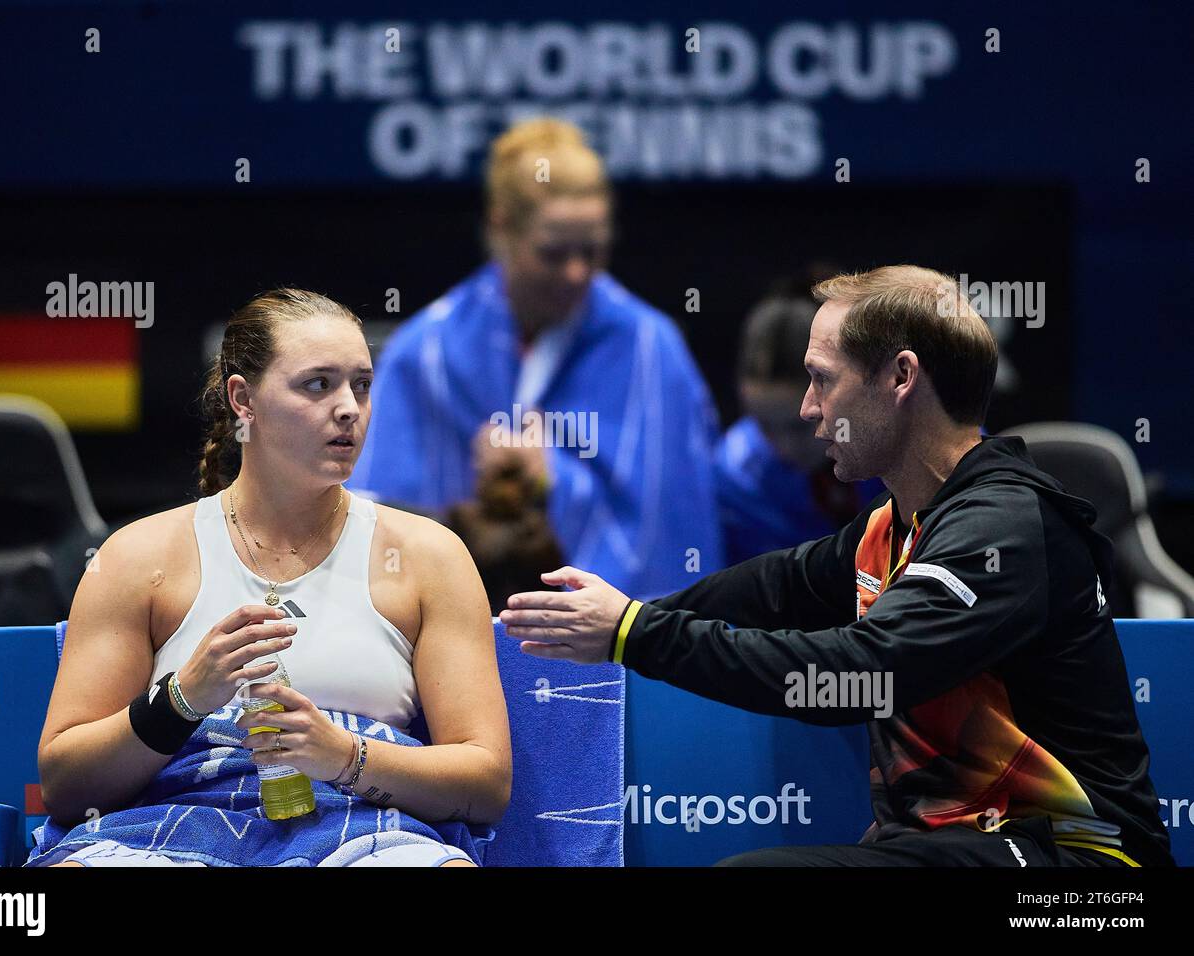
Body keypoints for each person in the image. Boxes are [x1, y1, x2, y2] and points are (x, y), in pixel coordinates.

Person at [500, 265, 1174, 867]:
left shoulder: (1004, 529)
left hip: (1082, 867)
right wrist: (606, 615)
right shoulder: (891, 526)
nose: (806, 408)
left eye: (823, 378)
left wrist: (636, 633)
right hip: (955, 844)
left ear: (900, 379)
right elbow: (771, 588)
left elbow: (859, 675)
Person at [28, 289, 511, 867]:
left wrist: (342, 755)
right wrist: (180, 701)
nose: (349, 408)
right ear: (244, 400)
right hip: (165, 831)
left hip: (364, 835)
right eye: (317, 384)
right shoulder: (137, 558)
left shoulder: (430, 556)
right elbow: (66, 787)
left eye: (361, 384)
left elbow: (485, 785)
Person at [350, 117, 723, 600]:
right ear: (500, 228)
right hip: (447, 641)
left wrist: (555, 477)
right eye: (553, 254)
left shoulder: (654, 350)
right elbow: (377, 520)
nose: (575, 273)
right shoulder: (425, 353)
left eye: (592, 252)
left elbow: (673, 529)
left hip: (615, 653)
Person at [716, 294, 884, 564]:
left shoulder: (897, 440)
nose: (785, 446)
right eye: (765, 426)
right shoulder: (733, 476)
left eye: (799, 426)